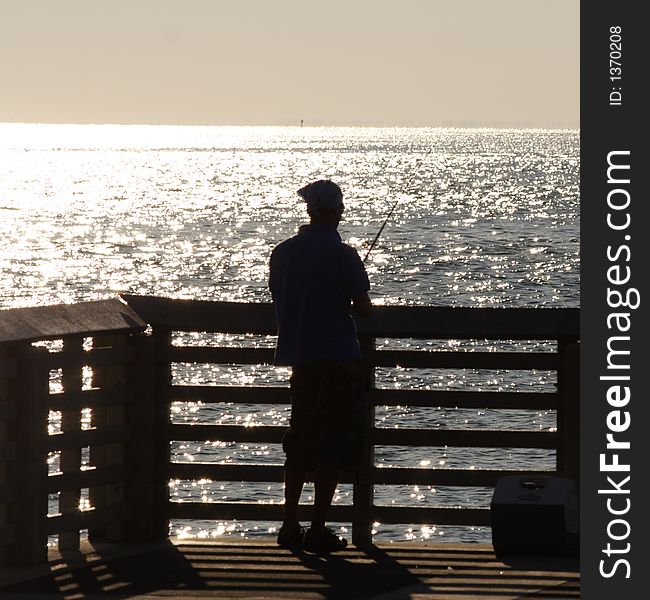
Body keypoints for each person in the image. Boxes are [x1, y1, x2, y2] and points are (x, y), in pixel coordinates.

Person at [269, 179, 372, 553]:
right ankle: (317, 528)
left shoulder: (281, 253)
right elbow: (362, 306)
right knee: (333, 444)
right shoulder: (345, 255)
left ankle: (289, 523)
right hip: (340, 361)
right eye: (341, 208)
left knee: (299, 443)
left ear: (309, 211)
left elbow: (278, 294)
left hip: (302, 359)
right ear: (335, 212)